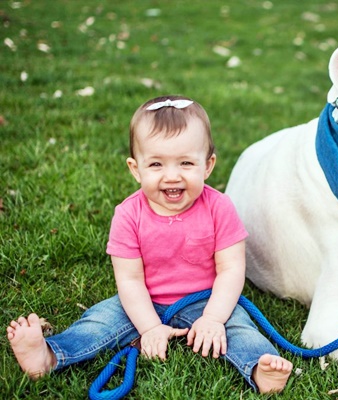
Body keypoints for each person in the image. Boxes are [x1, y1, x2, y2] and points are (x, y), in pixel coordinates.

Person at [6, 95, 293, 394]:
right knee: (98, 322)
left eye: (185, 162)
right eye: (156, 164)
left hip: (207, 299)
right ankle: (49, 354)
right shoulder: (128, 215)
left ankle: (261, 367)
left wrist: (212, 318)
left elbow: (231, 269)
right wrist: (149, 327)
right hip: (143, 298)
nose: (172, 176)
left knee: (238, 327)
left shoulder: (220, 208)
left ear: (207, 165)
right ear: (135, 169)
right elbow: (129, 280)